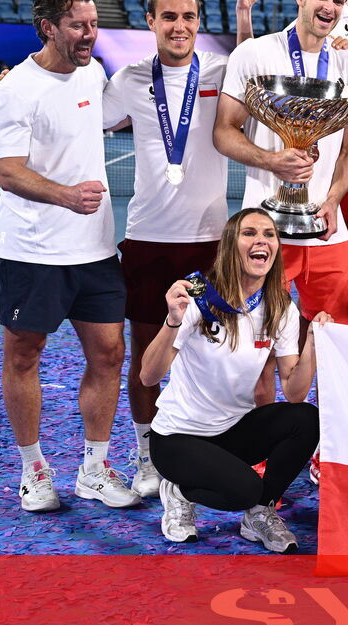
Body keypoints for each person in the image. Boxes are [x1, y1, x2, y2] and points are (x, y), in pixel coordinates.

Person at [100, 0, 263, 498]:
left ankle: (213, 444)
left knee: (218, 354)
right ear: (151, 22)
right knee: (147, 355)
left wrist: (243, 12)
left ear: (198, 22)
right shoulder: (128, 80)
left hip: (210, 244)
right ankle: (148, 455)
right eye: (169, 17)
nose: (179, 26)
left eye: (188, 16)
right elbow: (84, 116)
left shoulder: (218, 70)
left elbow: (251, 68)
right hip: (148, 241)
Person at [0, 0, 138, 512]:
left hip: (94, 250)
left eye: (93, 24)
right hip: (31, 252)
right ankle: (33, 470)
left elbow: (113, 115)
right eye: (77, 26)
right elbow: (8, 172)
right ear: (48, 27)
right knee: (24, 355)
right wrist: (66, 196)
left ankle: (94, 469)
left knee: (109, 354)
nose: (89, 34)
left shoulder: (93, 72)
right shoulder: (13, 91)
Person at [141, 208, 323, 551]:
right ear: (229, 245)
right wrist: (173, 320)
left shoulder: (280, 307)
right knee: (243, 490)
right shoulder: (197, 295)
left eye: (269, 234)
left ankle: (260, 512)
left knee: (305, 419)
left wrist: (312, 343)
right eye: (249, 233)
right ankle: (178, 491)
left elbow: (295, 393)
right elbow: (148, 376)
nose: (261, 241)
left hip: (232, 432)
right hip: (178, 437)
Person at [215, 0, 348, 327]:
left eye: (338, 1)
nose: (329, 8)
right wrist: (271, 161)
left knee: (332, 337)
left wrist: (333, 200)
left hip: (326, 231)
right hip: (262, 229)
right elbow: (223, 131)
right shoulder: (255, 53)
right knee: (256, 338)